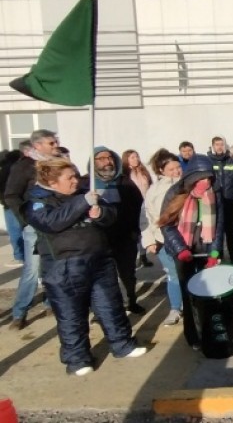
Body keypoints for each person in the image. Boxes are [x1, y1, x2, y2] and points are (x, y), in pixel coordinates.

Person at [26, 159, 146, 376]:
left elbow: (111, 216)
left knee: (110, 306)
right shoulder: (38, 201)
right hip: (64, 267)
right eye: (69, 177)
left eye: (75, 175)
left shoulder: (84, 191)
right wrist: (82, 202)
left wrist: (100, 213)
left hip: (99, 259)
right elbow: (52, 222)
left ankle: (122, 344)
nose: (75, 180)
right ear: (52, 181)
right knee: (71, 314)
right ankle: (78, 358)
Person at [159, 155, 224, 348]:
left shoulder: (215, 193)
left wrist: (214, 253)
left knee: (207, 294)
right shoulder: (176, 193)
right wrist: (180, 250)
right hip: (183, 252)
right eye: (202, 179)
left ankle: (209, 332)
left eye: (209, 179)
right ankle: (193, 336)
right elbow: (167, 225)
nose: (206, 182)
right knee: (189, 297)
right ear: (192, 178)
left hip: (205, 249)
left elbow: (218, 225)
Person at [4, 129, 58, 329]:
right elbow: (11, 195)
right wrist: (26, 218)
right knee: (32, 270)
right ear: (37, 146)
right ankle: (20, 313)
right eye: (51, 143)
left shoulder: (58, 162)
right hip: (34, 227)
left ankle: (51, 303)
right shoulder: (25, 167)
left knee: (53, 267)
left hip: (57, 223)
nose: (55, 146)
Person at [85, 147, 146, 314]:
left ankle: (131, 301)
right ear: (93, 163)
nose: (107, 161)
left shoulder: (124, 182)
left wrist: (134, 230)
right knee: (101, 277)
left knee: (127, 273)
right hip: (99, 239)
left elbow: (137, 206)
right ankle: (102, 310)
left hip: (125, 237)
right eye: (101, 158)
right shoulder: (87, 184)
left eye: (110, 157)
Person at [140, 149, 183, 326]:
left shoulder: (187, 185)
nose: (176, 172)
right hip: (163, 240)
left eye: (178, 167)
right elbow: (146, 217)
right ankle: (175, 308)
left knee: (190, 274)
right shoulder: (154, 191)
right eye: (171, 169)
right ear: (161, 171)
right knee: (173, 274)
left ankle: (193, 305)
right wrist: (149, 240)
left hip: (186, 238)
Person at [207, 136, 233, 266]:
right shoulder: (208, 162)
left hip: (229, 202)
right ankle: (218, 258)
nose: (219, 147)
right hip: (214, 203)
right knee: (217, 233)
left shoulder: (232, 162)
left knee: (230, 232)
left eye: (221, 144)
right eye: (217, 144)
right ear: (213, 146)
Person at [122, 149, 154, 269]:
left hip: (145, 204)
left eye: (137, 157)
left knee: (145, 229)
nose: (136, 159)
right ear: (127, 160)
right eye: (132, 157)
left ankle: (143, 255)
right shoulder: (125, 174)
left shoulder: (143, 172)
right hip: (132, 205)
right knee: (136, 232)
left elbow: (150, 186)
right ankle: (137, 256)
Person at [0, 147, 24, 267]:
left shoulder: (6, 168)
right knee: (21, 229)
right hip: (18, 202)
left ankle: (19, 256)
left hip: (9, 204)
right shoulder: (19, 166)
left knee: (14, 231)